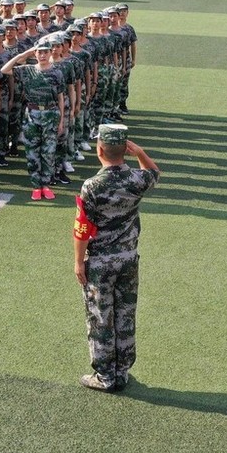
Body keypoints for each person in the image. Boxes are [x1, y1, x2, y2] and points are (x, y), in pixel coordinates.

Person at [73, 124, 160, 392]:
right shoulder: (136, 179)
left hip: (101, 262)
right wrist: (140, 153)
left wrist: (78, 262)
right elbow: (154, 173)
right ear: (125, 148)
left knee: (101, 317)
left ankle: (105, 376)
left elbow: (83, 228)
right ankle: (121, 371)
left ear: (99, 149)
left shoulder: (92, 186)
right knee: (125, 314)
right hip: (128, 258)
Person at [0, 42, 66, 200]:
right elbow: (4, 70)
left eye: (45, 52)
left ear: (50, 53)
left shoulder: (57, 72)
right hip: (32, 114)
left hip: (51, 113)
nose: (42, 55)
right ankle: (36, 186)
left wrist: (61, 121)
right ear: (35, 54)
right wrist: (23, 54)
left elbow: (60, 98)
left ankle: (46, 185)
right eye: (39, 52)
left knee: (48, 152)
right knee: (32, 152)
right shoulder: (27, 70)